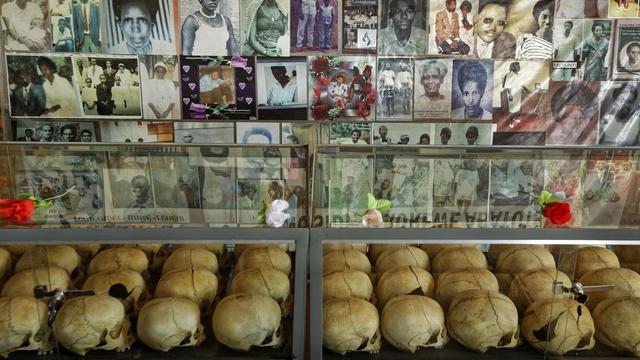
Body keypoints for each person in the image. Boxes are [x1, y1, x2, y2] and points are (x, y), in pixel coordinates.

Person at [109, 0, 174, 54]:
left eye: (142, 20)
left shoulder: (169, 49)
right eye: (128, 21)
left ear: (152, 23)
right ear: (120, 24)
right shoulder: (112, 52)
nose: (136, 29)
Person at [501, 62, 525, 128]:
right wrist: (510, 95)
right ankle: (510, 121)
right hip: (512, 93)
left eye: (519, 66)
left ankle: (515, 118)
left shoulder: (518, 74)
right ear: (513, 67)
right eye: (517, 66)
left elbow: (521, 84)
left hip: (518, 93)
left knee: (517, 107)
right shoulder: (509, 75)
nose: (519, 67)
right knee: (511, 108)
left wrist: (526, 89)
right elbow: (507, 86)